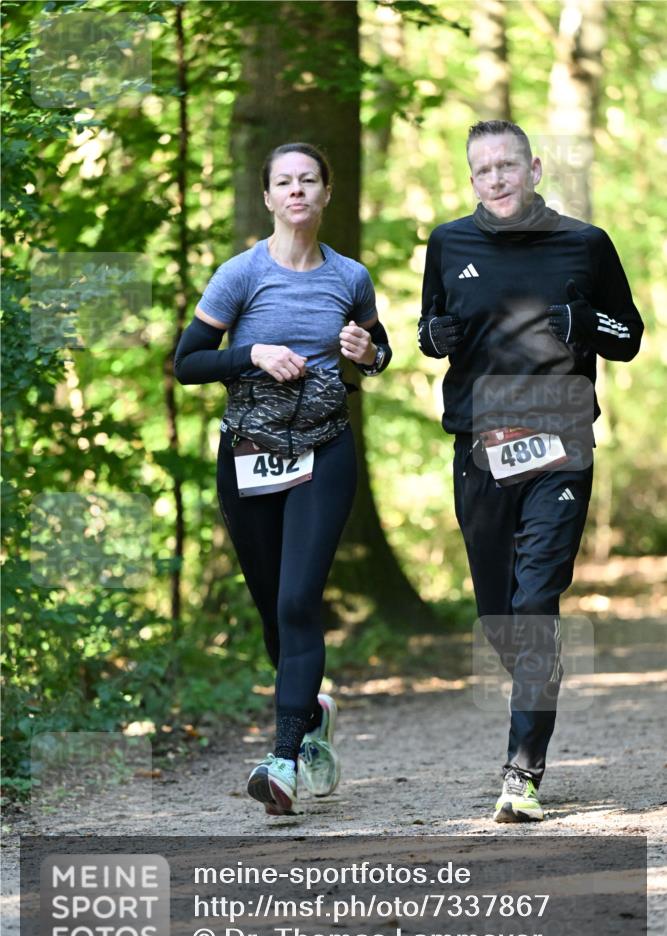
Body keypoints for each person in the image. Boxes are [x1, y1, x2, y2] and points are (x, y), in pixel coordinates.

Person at [418, 120, 643, 822]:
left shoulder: (584, 243)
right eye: (482, 169)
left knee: (535, 604)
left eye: (507, 166)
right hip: (481, 448)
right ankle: (536, 679)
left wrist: (587, 325)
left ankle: (522, 773)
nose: (496, 179)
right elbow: (430, 327)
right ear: (471, 178)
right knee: (501, 621)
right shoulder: (448, 243)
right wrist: (432, 337)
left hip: (561, 445)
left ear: (532, 167)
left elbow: (628, 336)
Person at [175, 142, 391, 816]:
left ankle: (284, 756)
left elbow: (375, 349)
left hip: (325, 452)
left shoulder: (349, 277)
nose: (296, 192)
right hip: (249, 454)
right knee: (273, 607)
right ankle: (311, 709)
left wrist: (369, 352)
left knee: (299, 600)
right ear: (268, 197)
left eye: (308, 181)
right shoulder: (239, 275)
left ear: (325, 194)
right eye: (283, 182)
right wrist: (251, 354)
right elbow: (186, 362)